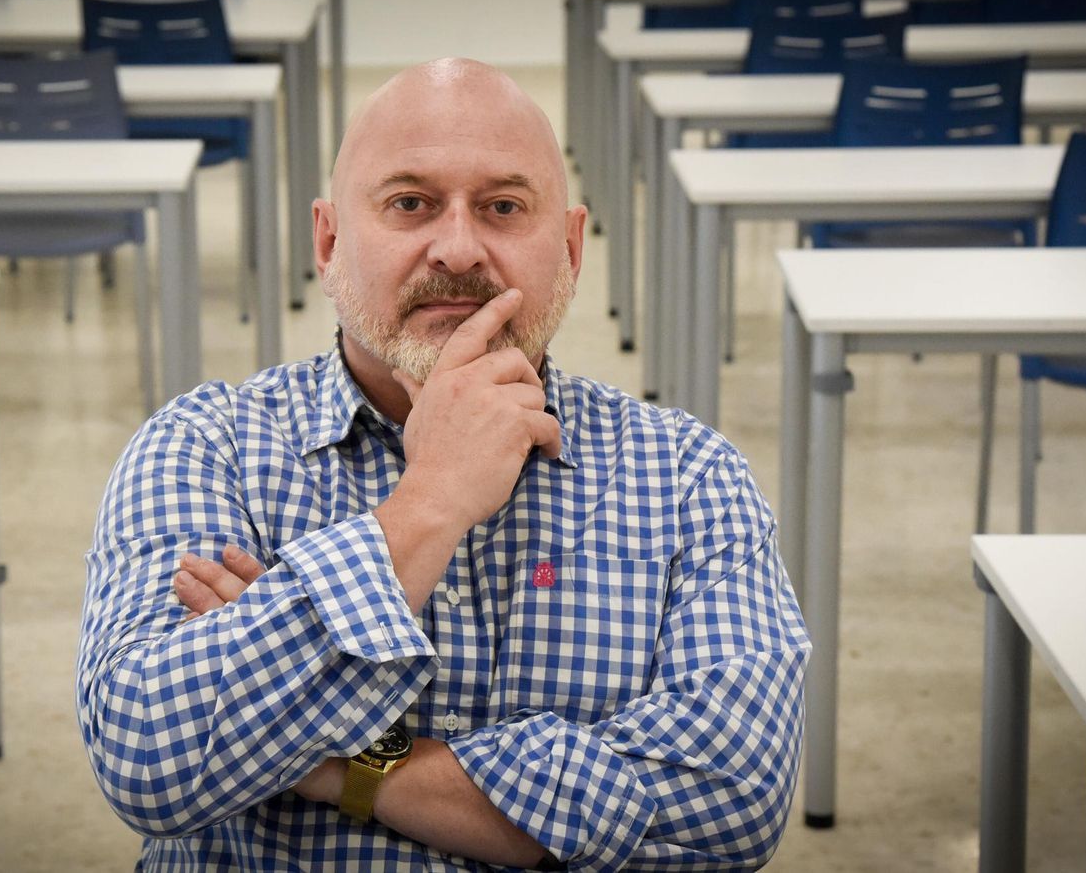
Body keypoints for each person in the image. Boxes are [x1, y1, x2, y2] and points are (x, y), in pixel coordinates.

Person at [77, 57, 809, 871]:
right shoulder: (207, 446)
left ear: (569, 247)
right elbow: (148, 761)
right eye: (409, 204)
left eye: (503, 207)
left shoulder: (689, 477)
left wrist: (327, 754)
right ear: (328, 242)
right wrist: (426, 504)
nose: (458, 249)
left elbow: (732, 807)